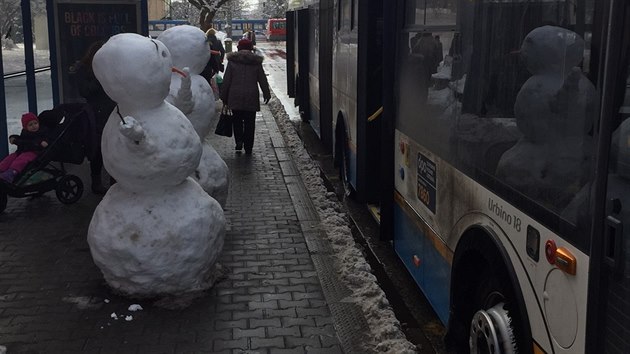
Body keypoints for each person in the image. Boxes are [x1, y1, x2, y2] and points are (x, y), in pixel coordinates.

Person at [77, 40, 117, 194]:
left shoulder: (110, 68)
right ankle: (96, 181)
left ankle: (115, 180)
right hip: (96, 113)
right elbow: (84, 91)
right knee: (98, 149)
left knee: (114, 146)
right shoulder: (83, 69)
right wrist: (100, 79)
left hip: (111, 110)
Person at [220, 38, 271, 155]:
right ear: (251, 48)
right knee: (250, 123)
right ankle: (248, 147)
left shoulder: (232, 62)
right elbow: (262, 80)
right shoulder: (256, 63)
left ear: (238, 48)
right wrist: (266, 93)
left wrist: (224, 96)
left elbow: (227, 80)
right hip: (251, 96)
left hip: (235, 96)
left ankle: (239, 141)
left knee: (237, 120)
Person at [0, 113, 49, 183]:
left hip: (34, 151)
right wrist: (14, 138)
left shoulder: (42, 131)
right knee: (11, 157)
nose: (34, 126)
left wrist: (44, 142)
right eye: (30, 125)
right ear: (25, 127)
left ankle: (12, 172)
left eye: (35, 123)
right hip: (22, 150)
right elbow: (21, 138)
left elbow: (47, 138)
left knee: (22, 159)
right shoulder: (25, 132)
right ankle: (1, 169)